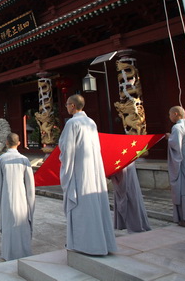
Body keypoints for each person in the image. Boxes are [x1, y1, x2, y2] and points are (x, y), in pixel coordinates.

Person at [58, 94, 117, 255]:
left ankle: (85, 244)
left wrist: (66, 170)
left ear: (72, 106)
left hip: (80, 172)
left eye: (67, 104)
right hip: (93, 169)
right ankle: (100, 242)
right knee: (94, 206)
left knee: (82, 207)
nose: (66, 107)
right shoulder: (91, 122)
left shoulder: (72, 123)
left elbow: (67, 150)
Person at [0, 133, 36, 261]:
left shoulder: (2, 159)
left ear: (6, 143)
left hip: (7, 196)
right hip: (21, 197)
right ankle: (23, 251)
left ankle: (8, 253)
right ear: (19, 143)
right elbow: (30, 185)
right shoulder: (24, 160)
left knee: (8, 223)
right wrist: (31, 203)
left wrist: (0, 201)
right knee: (22, 222)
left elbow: (0, 183)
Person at [111, 162, 151, 233]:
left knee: (130, 191)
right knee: (127, 190)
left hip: (125, 162)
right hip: (120, 163)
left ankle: (135, 223)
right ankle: (126, 223)